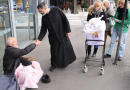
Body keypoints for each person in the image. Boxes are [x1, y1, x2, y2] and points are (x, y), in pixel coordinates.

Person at [36, 3, 76, 72]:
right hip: (53, 38)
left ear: (45, 8)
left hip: (62, 34)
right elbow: (43, 30)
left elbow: (65, 20)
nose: (40, 13)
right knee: (54, 52)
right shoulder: (44, 18)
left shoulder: (57, 10)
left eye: (40, 11)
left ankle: (65, 63)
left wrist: (68, 30)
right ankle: (54, 65)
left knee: (64, 50)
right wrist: (39, 39)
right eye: (39, 11)